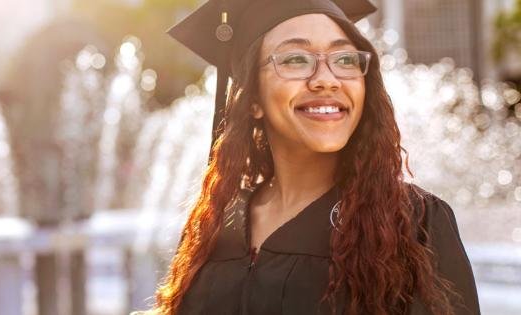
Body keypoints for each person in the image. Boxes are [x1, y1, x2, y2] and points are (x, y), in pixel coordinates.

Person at [140, 0, 482, 314]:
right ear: (252, 100)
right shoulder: (218, 222)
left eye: (345, 59)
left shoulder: (411, 221)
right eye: (295, 60)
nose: (326, 80)